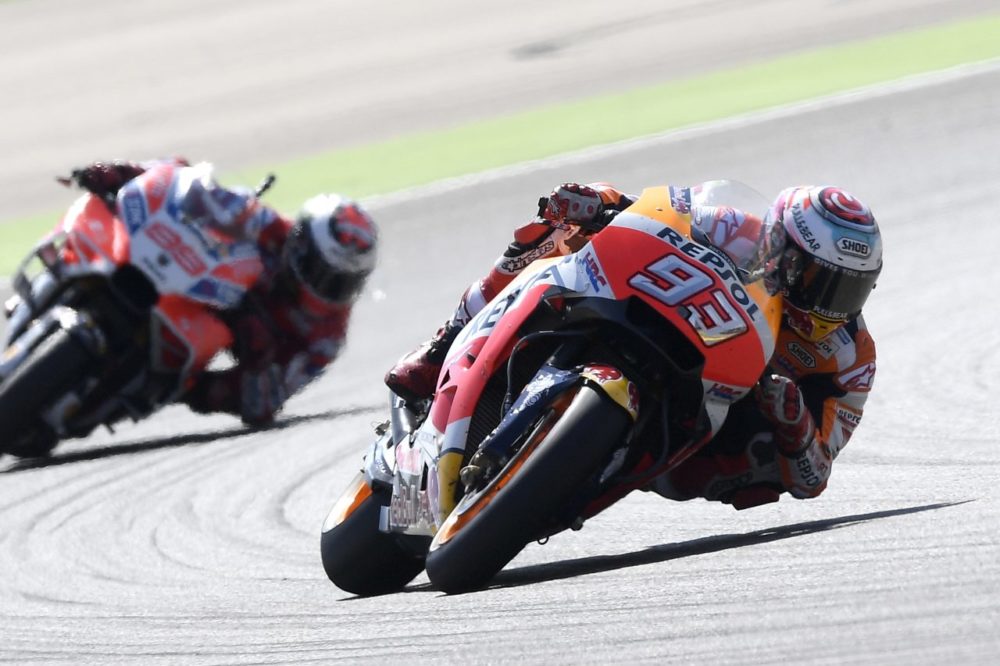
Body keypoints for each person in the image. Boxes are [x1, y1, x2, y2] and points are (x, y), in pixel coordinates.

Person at [384, 181, 882, 509]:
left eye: (851, 290)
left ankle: (580, 473)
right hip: (664, 316)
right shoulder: (734, 227)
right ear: (781, 249)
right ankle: (441, 346)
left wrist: (794, 423)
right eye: (821, 281)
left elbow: (815, 475)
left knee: (759, 462)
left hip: (711, 418)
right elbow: (652, 213)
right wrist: (598, 203)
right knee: (557, 233)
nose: (832, 305)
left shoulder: (851, 357)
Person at [70, 159, 378, 426]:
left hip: (220, 339)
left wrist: (258, 358)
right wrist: (123, 173)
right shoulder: (271, 228)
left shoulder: (326, 338)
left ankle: (142, 386)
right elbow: (190, 184)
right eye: (323, 273)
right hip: (186, 280)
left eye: (344, 282)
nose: (329, 289)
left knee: (183, 386)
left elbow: (264, 403)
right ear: (300, 247)